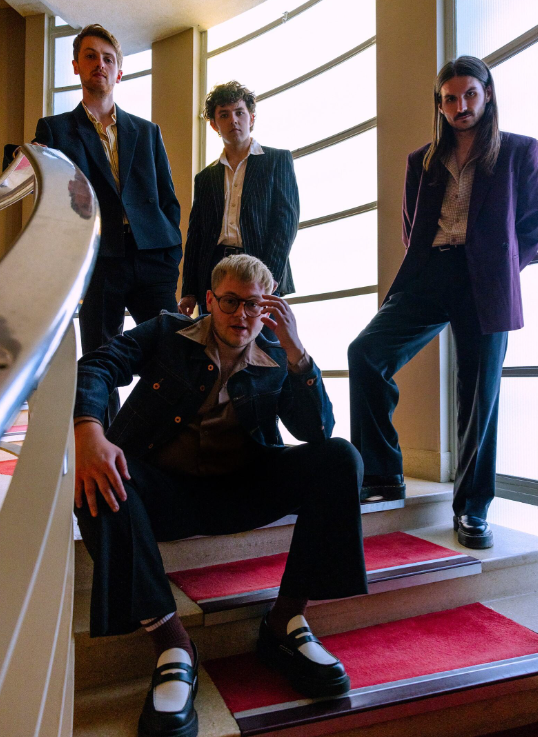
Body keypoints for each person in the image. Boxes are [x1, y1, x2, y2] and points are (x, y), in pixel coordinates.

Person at [73, 254, 367, 737]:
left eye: (254, 305)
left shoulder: (276, 352)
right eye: (230, 301)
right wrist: (89, 429)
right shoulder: (169, 331)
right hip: (163, 492)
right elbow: (100, 364)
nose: (241, 315)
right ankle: (172, 644)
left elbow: (316, 429)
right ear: (210, 300)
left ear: (269, 307)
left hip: (241, 488)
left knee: (340, 458)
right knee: (101, 480)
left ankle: (285, 622)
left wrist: (298, 354)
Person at [348, 56, 538, 549]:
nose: (461, 106)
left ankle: (472, 510)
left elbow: (534, 221)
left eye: (470, 95)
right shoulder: (423, 159)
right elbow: (410, 226)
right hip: (430, 274)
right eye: (451, 99)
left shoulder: (518, 151)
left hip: (486, 281)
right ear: (439, 104)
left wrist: (499, 270)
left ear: (487, 94)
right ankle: (380, 475)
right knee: (366, 354)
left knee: (479, 396)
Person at [26, 24, 182, 422]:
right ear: (77, 65)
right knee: (100, 358)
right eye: (91, 56)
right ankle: (104, 445)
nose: (100, 64)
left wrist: (169, 256)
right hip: (99, 258)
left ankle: (163, 440)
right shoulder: (55, 129)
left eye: (108, 58)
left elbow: (167, 198)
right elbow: (44, 190)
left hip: (152, 257)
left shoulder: (148, 132)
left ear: (120, 72)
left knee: (175, 350)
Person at [178, 81, 299, 317]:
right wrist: (190, 290)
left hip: (260, 265)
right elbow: (196, 236)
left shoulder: (277, 161)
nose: (233, 120)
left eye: (239, 112)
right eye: (224, 115)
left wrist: (270, 275)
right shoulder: (205, 178)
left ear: (251, 118)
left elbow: (286, 223)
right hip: (214, 272)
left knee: (264, 347)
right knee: (214, 349)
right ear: (214, 125)